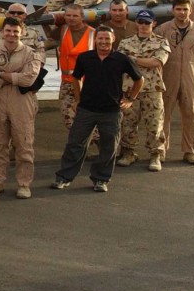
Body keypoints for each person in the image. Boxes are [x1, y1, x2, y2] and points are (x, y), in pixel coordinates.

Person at [51, 26, 143, 192]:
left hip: (111, 111)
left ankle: (101, 179)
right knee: (75, 143)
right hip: (87, 109)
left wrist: (130, 99)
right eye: (100, 38)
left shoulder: (121, 59)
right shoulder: (85, 58)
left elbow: (139, 79)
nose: (103, 42)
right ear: (95, 40)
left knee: (109, 146)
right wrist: (78, 99)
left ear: (113, 40)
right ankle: (64, 177)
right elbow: (76, 78)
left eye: (107, 38)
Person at [0, 17, 43, 198]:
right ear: (2, 32)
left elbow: (29, 78)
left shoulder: (31, 54)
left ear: (22, 32)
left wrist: (1, 74)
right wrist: (11, 78)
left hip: (22, 102)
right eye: (8, 31)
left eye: (15, 31)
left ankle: (24, 184)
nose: (12, 34)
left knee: (23, 144)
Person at [155, 0, 194, 165]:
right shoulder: (162, 30)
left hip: (190, 74)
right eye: (179, 9)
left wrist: (190, 64)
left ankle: (189, 151)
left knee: (190, 114)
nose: (182, 12)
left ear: (190, 11)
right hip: (167, 75)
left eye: (185, 9)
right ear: (173, 10)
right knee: (163, 114)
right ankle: (161, 150)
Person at [116, 10, 172, 171]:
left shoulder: (161, 42)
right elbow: (120, 63)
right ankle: (128, 152)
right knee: (127, 123)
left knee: (154, 124)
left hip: (151, 89)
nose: (143, 25)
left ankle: (155, 155)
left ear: (154, 24)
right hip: (129, 89)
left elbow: (157, 62)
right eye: (140, 22)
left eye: (147, 22)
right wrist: (139, 62)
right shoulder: (125, 42)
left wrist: (132, 59)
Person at [52, 4, 96, 130]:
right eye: (68, 15)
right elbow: (48, 35)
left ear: (82, 17)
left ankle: (98, 145)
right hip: (67, 82)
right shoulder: (62, 30)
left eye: (75, 16)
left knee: (91, 119)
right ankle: (79, 145)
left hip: (87, 83)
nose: (71, 18)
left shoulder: (93, 33)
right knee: (68, 118)